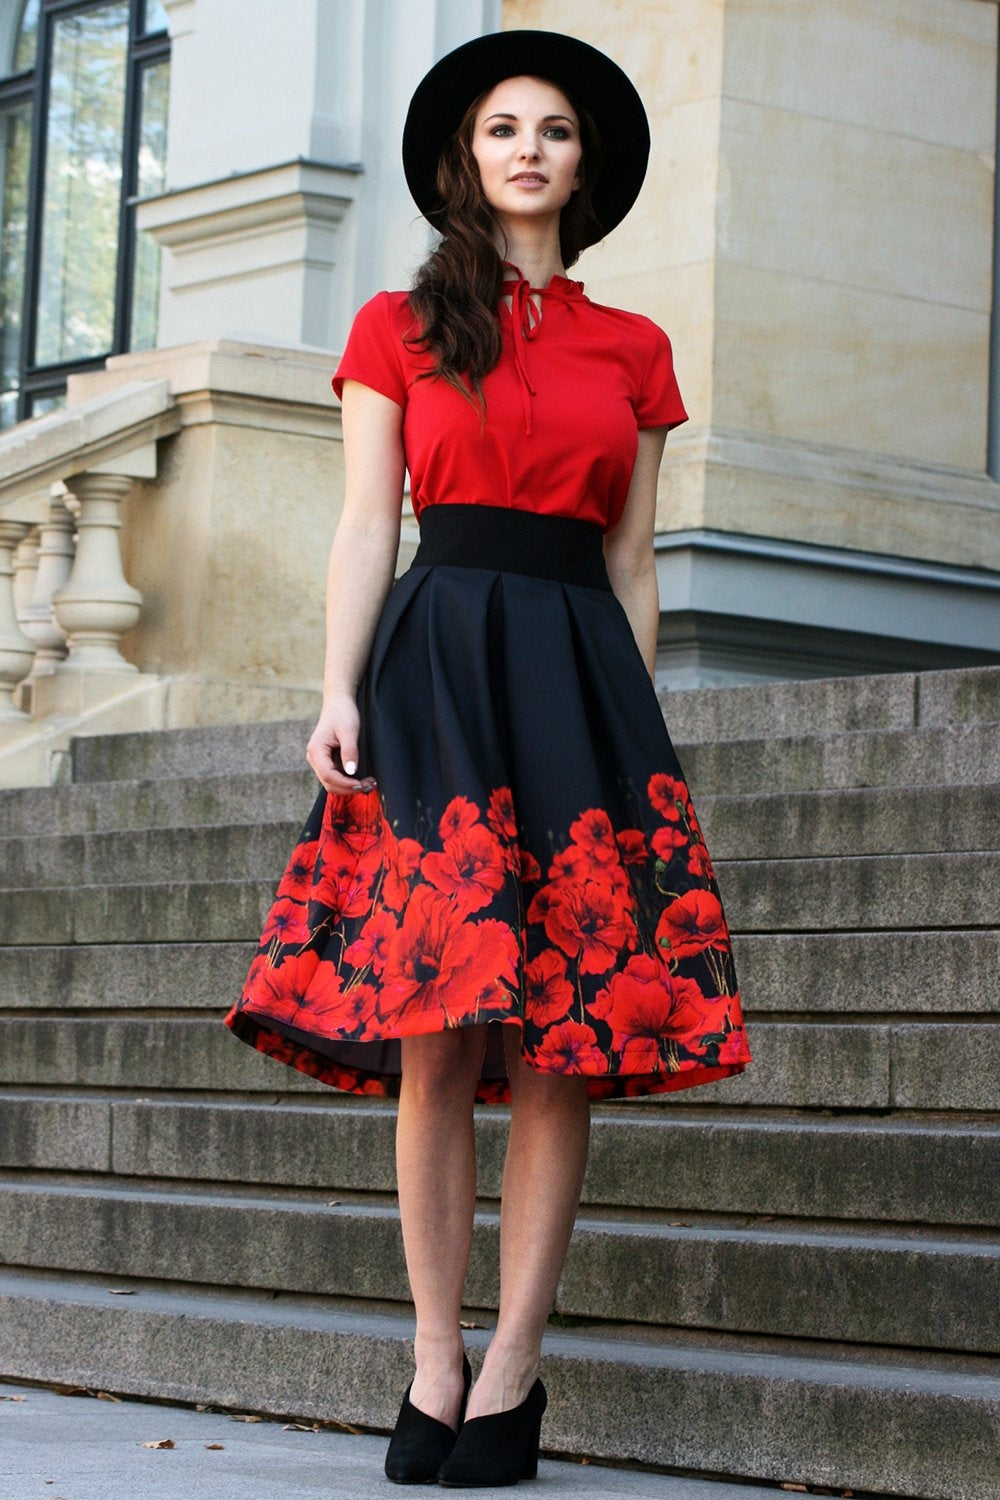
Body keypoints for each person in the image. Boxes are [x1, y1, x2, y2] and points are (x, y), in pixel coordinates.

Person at [223, 28, 752, 1489]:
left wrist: (632, 728)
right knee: (438, 1029)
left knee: (565, 1032)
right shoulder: (397, 325)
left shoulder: (635, 348)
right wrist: (336, 691)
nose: (529, 147)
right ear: (468, 158)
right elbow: (366, 523)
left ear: (585, 167)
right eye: (504, 126)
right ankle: (433, 1359)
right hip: (437, 671)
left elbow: (633, 563)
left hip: (580, 682)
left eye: (556, 129)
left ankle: (515, 1365)